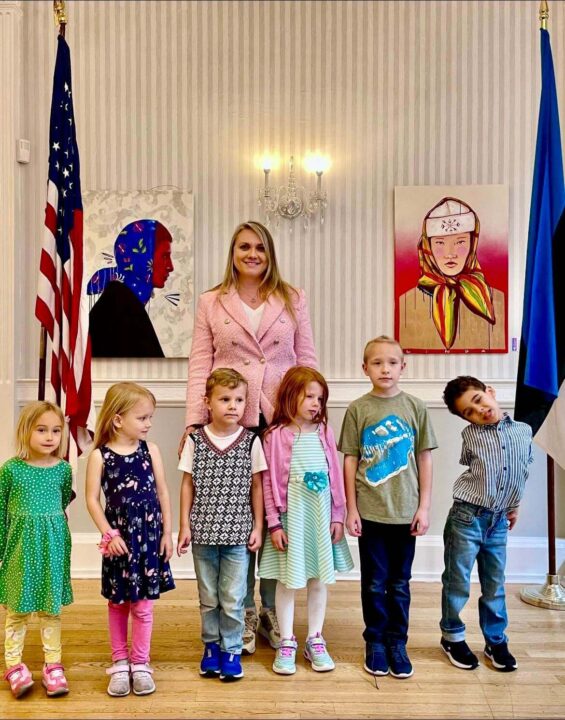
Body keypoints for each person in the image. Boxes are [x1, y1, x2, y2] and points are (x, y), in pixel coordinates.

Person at [180, 220, 318, 653]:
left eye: (260, 247)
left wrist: (312, 413)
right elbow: (200, 364)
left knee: (278, 515)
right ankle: (242, 611)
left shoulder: (293, 297)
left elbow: (306, 358)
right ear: (233, 252)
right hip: (230, 418)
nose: (252, 254)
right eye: (244, 247)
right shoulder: (211, 301)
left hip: (282, 418)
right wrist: (194, 422)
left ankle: (272, 609)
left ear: (269, 253)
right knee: (240, 518)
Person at [338, 336, 437, 679]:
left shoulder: (415, 407)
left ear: (402, 367)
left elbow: (424, 458)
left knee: (399, 583)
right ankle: (375, 642)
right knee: (374, 582)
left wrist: (424, 507)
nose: (385, 369)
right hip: (370, 512)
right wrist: (351, 509)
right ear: (364, 368)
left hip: (405, 512)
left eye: (392, 362)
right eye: (377, 363)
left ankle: (397, 642)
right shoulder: (358, 409)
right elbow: (350, 460)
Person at [259, 366, 353, 675]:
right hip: (291, 520)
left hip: (320, 518)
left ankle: (315, 638)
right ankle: (287, 640)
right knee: (287, 580)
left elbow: (335, 476)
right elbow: (268, 482)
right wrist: (274, 522)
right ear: (290, 396)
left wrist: (338, 515)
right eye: (309, 396)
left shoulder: (324, 432)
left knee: (318, 579)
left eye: (320, 399)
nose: (316, 403)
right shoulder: (274, 436)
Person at [85, 382, 175, 697]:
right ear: (118, 419)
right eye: (142, 418)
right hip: (120, 542)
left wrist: (167, 533)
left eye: (150, 417)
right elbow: (92, 500)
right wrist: (108, 534)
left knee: (144, 605)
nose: (148, 424)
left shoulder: (151, 451)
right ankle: (120, 663)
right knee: (118, 602)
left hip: (148, 539)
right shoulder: (100, 456)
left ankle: (140, 662)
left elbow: (163, 492)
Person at [177, 368, 267, 681]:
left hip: (238, 536)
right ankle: (211, 647)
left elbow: (257, 486)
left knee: (232, 597)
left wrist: (257, 527)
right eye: (225, 399)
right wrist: (184, 525)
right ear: (208, 402)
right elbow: (187, 484)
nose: (232, 406)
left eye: (239, 400)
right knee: (208, 597)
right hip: (203, 533)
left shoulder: (251, 441)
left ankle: (231, 649)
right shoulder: (195, 441)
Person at [439, 376, 533, 672]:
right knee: (457, 581)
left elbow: (521, 470)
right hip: (467, 518)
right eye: (469, 412)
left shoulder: (524, 431)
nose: (479, 410)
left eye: (479, 400)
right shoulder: (471, 436)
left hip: (499, 520)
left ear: (490, 392)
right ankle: (452, 636)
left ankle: (496, 640)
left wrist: (514, 505)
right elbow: (476, 468)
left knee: (495, 583)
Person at [0, 401, 72, 698]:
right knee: (17, 610)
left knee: (50, 610)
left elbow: (63, 502)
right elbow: (1, 511)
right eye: (41, 430)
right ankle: (14, 666)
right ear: (25, 431)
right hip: (20, 551)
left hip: (51, 550)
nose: (49, 437)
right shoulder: (11, 470)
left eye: (56, 430)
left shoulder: (63, 470)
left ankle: (53, 665)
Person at [397, 197, 506, 352]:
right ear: (427, 246)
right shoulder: (406, 303)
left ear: (472, 244)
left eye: (460, 242)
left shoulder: (498, 300)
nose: (450, 253)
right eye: (440, 243)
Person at [88, 219, 174, 357]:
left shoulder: (123, 300)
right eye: (164, 256)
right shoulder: (120, 304)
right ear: (142, 258)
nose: (170, 266)